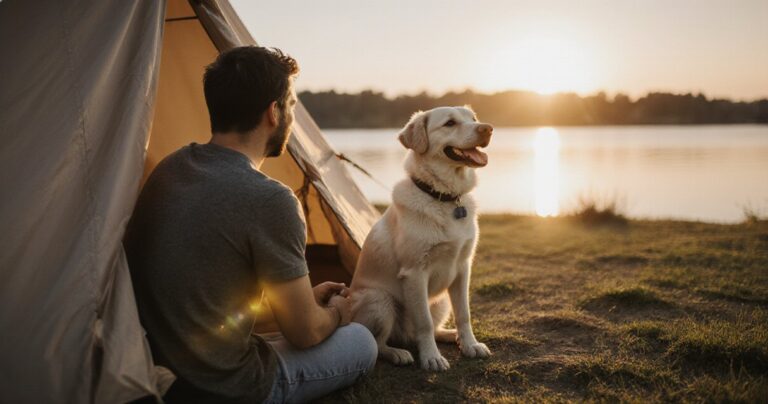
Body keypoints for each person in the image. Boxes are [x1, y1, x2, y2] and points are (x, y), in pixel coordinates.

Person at [124, 46, 377, 404]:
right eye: (291, 106)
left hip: (162, 370)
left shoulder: (170, 168)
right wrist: (337, 313)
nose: (291, 116)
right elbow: (305, 333)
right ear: (273, 113)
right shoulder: (270, 199)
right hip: (228, 388)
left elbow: (206, 298)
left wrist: (306, 300)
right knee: (361, 341)